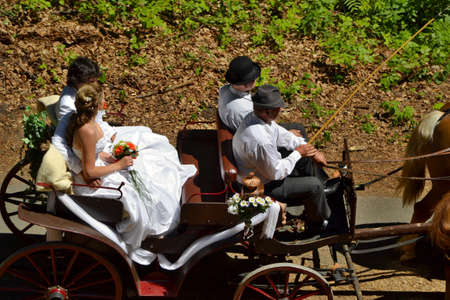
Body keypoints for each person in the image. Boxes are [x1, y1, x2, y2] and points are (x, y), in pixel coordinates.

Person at [65, 83, 197, 264]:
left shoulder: (89, 121)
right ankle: (137, 242)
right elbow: (88, 172)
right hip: (91, 181)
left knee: (149, 170)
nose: (106, 102)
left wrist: (107, 157)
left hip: (101, 166)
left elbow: (90, 152)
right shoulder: (87, 129)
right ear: (97, 105)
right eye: (104, 99)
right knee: (138, 199)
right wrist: (119, 165)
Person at [232, 84, 330, 238]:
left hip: (265, 170)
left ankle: (319, 198)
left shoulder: (257, 117)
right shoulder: (260, 140)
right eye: (279, 107)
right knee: (315, 186)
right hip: (264, 186)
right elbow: (275, 173)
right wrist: (298, 153)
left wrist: (310, 150)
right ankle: (317, 223)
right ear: (268, 111)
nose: (281, 110)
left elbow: (282, 134)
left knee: (305, 157)